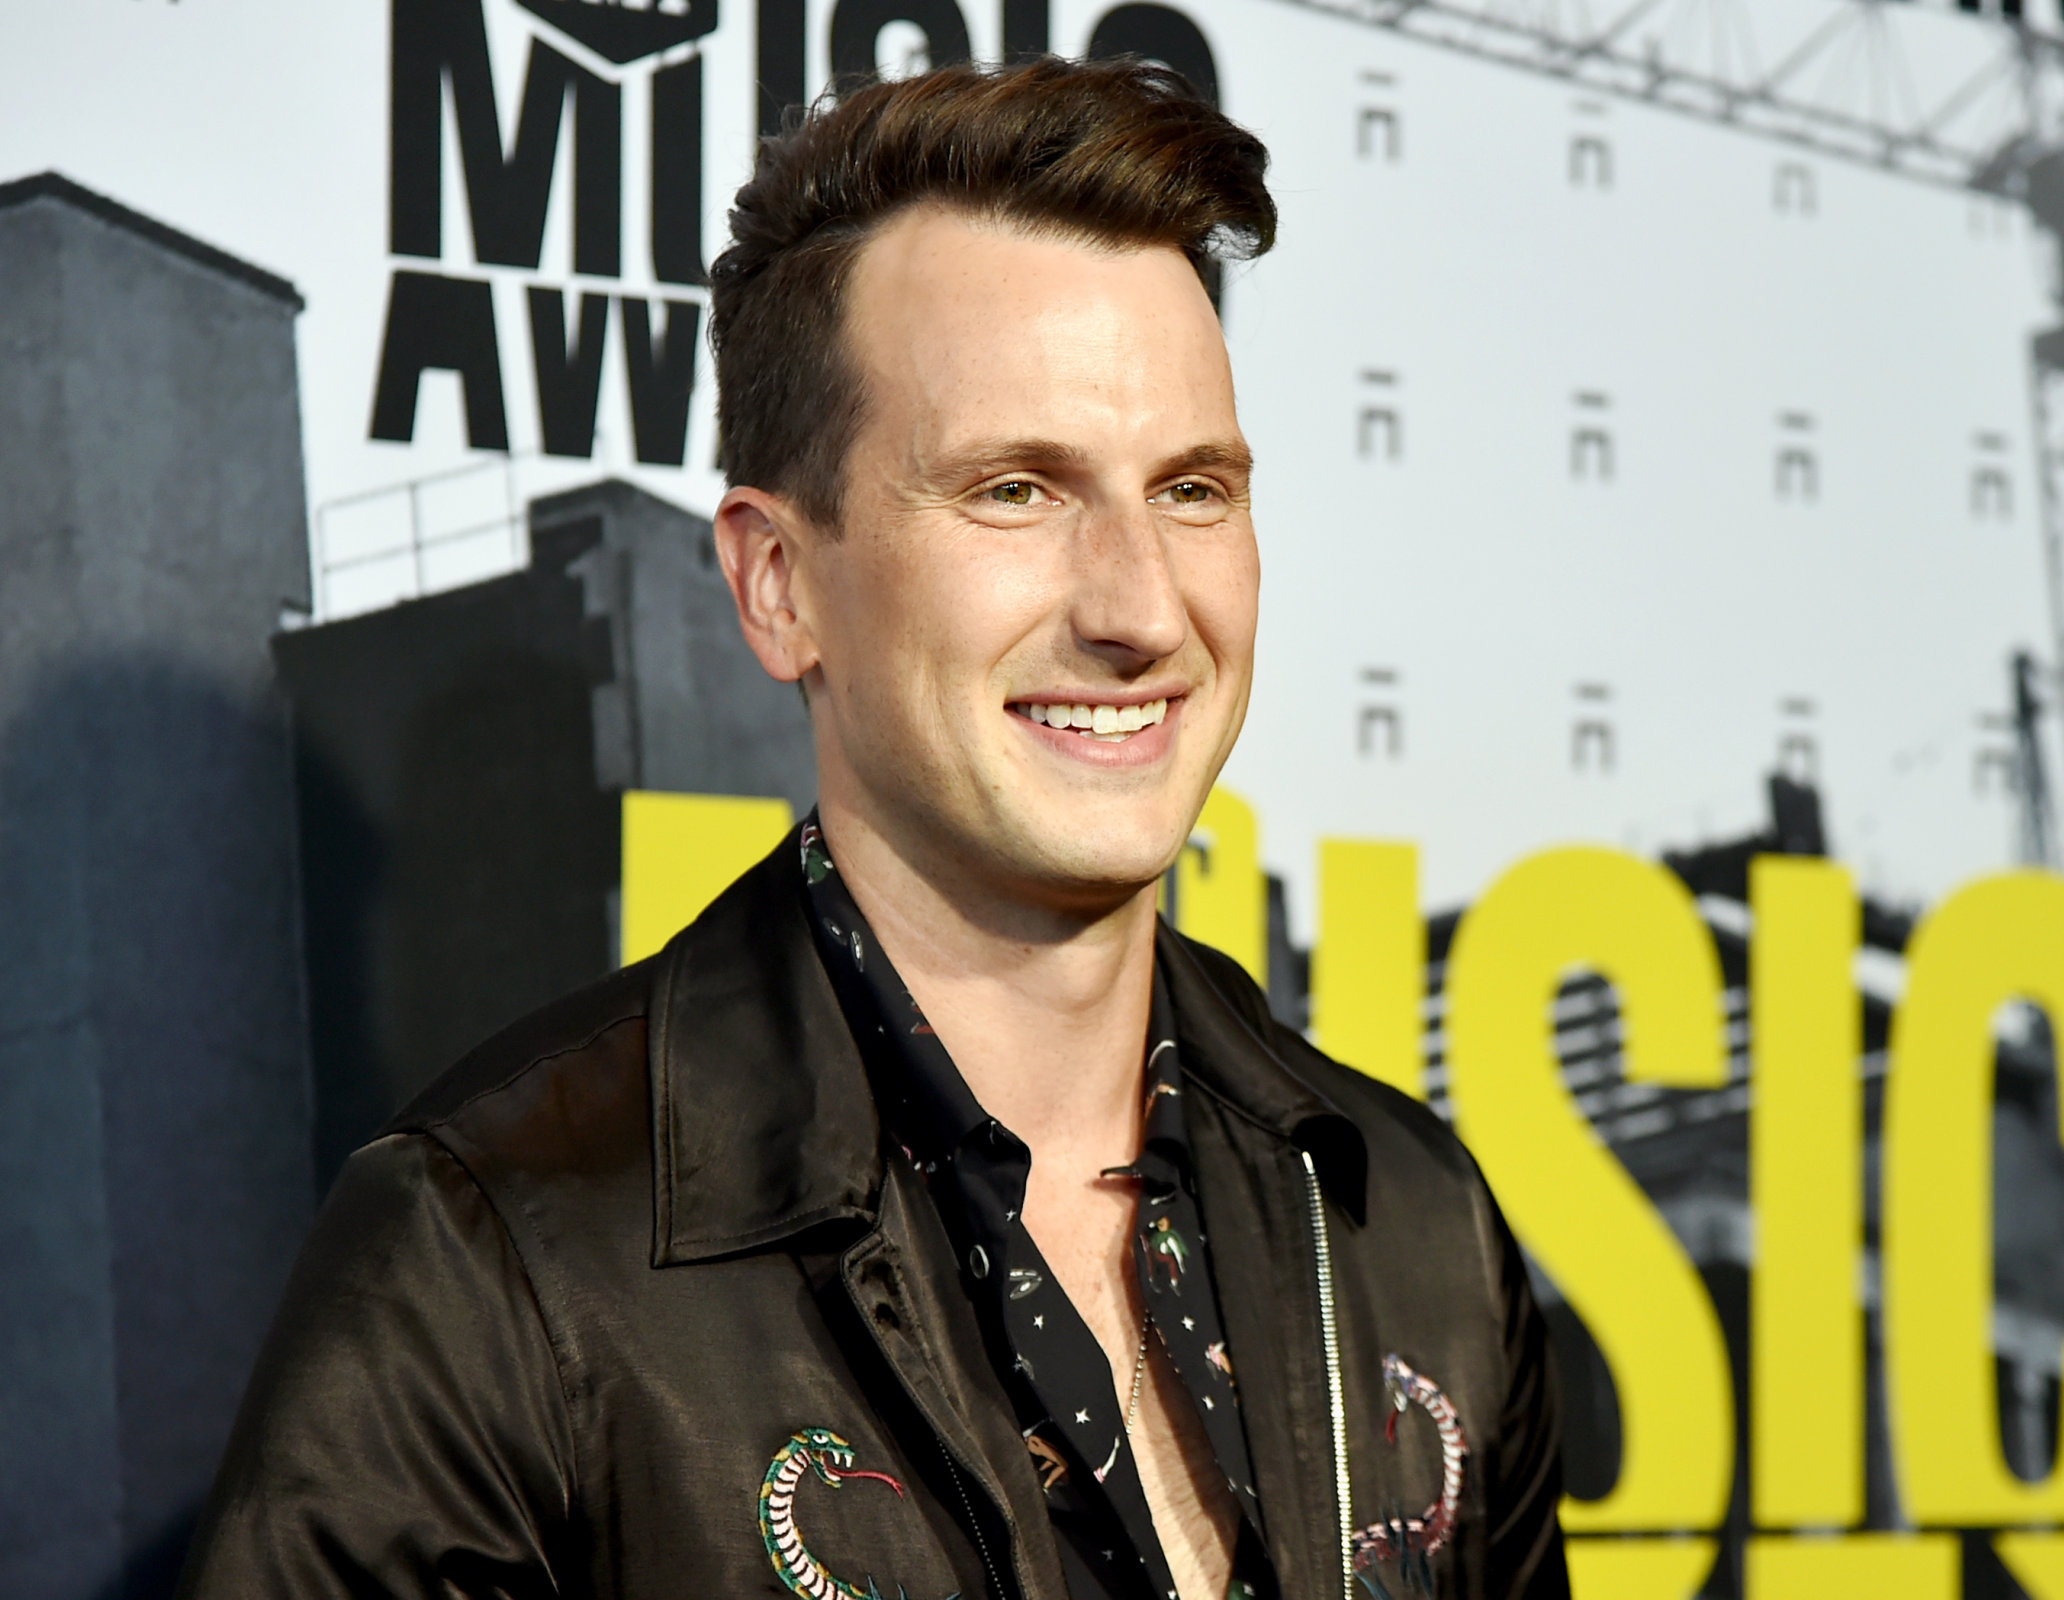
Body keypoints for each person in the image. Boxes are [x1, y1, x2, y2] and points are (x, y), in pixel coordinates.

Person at [182, 57, 1568, 1600]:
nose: (1136, 608)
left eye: (1190, 488)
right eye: (1015, 490)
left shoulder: (1407, 1222)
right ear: (780, 583)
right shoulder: (492, 1258)